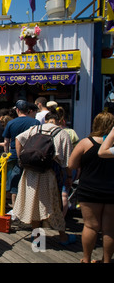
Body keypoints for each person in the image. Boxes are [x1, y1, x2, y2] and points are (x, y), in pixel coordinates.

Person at [13, 110, 76, 247]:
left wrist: (21, 159)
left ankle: (37, 238)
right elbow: (68, 162)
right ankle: (63, 237)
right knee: (53, 206)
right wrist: (69, 177)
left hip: (30, 173)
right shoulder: (62, 133)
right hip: (49, 174)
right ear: (59, 121)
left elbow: (18, 139)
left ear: (46, 120)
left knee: (35, 205)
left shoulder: (35, 129)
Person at [69, 112, 114, 263]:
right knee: (109, 229)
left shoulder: (85, 143)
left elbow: (71, 165)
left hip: (89, 189)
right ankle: (107, 260)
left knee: (90, 226)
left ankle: (86, 259)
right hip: (111, 190)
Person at [2, 100, 40, 205]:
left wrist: (6, 154)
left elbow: (6, 142)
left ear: (17, 110)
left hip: (14, 156)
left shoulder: (11, 123)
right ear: (27, 110)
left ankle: (15, 207)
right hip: (31, 156)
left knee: (14, 182)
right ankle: (28, 206)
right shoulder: (35, 122)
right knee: (30, 181)